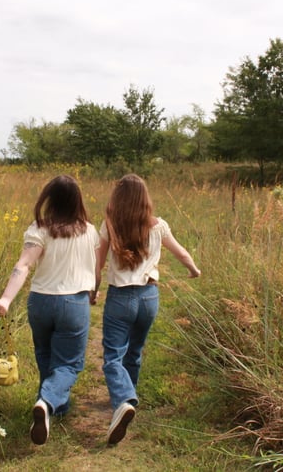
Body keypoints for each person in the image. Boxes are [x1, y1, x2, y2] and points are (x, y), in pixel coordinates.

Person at [0, 175, 98, 445]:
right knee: (70, 363)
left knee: (46, 356)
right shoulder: (90, 231)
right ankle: (48, 401)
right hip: (73, 302)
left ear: (48, 198)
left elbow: (23, 265)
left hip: (40, 302)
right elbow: (94, 268)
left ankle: (52, 408)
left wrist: (5, 298)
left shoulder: (39, 229)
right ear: (77, 200)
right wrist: (94, 290)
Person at [94, 174, 201, 445]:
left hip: (120, 298)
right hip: (148, 297)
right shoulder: (159, 226)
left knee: (112, 358)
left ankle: (123, 401)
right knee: (135, 352)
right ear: (145, 199)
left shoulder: (109, 225)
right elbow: (181, 253)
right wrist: (193, 270)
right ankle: (126, 401)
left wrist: (93, 290)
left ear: (118, 198)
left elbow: (97, 264)